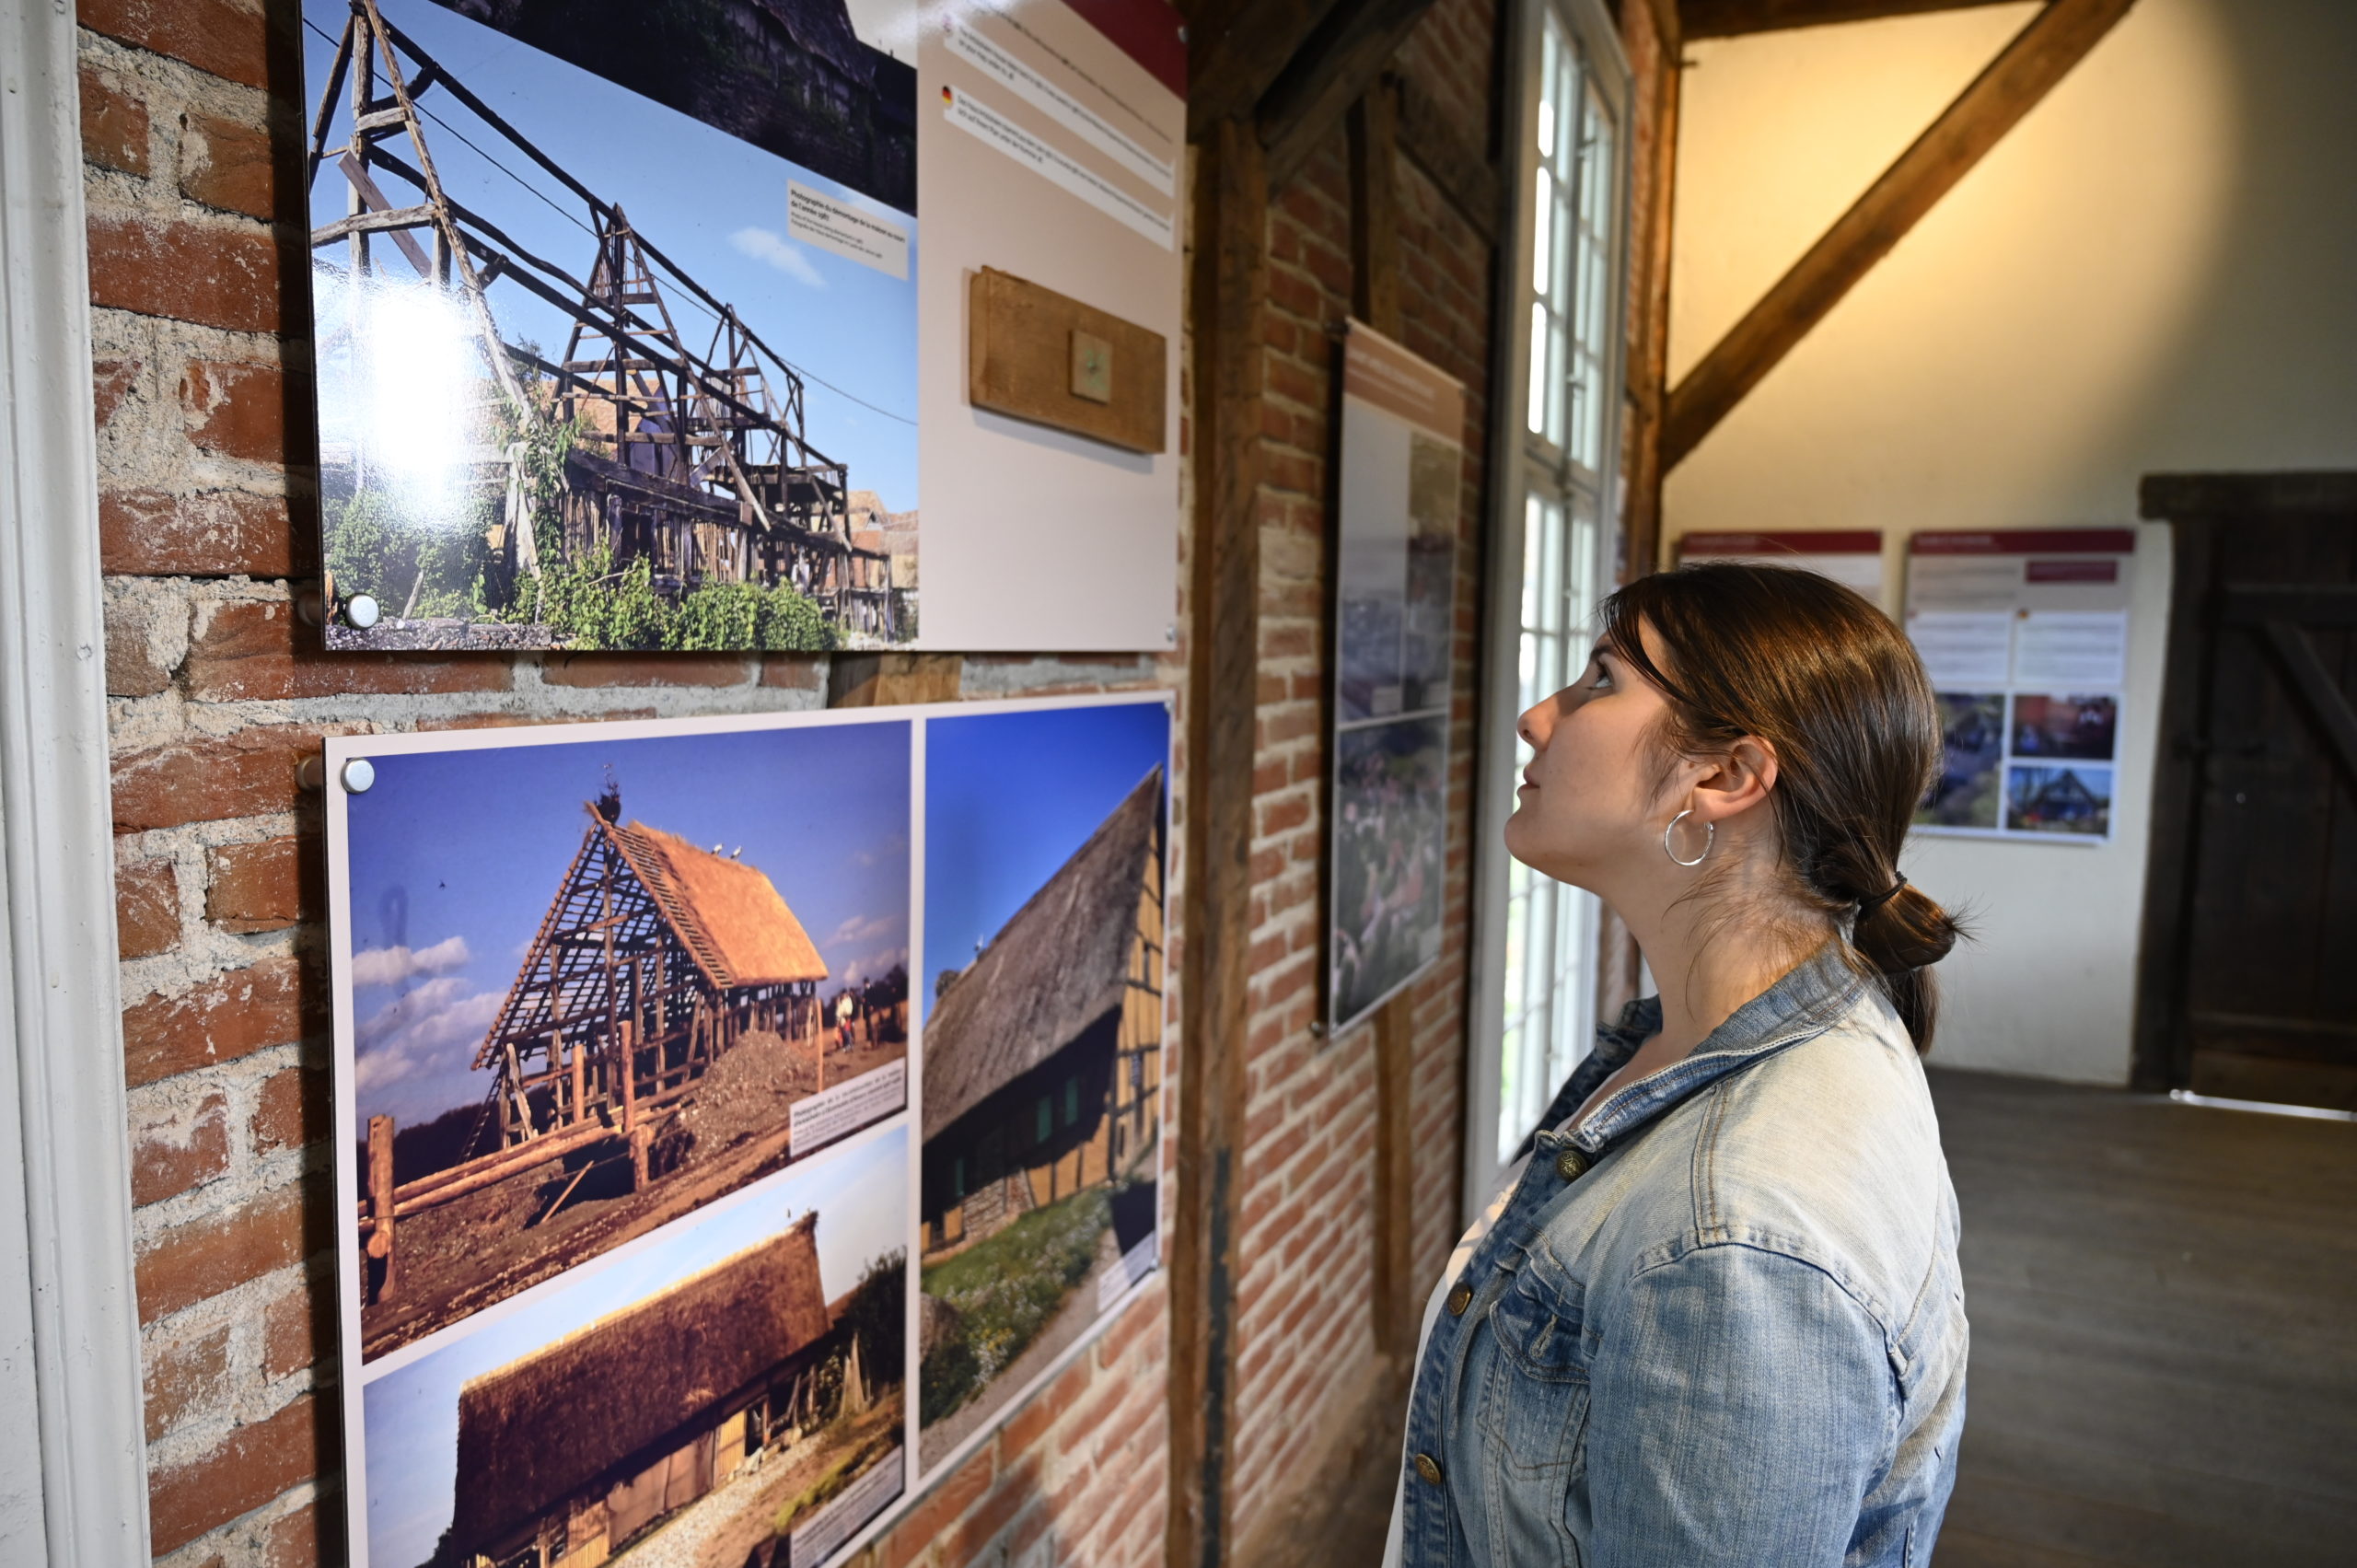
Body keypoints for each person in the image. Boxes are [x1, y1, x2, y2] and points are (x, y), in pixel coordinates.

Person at [1387, 562, 1968, 1567]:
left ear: (1726, 776)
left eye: (1599, 680)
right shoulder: (1706, 1042)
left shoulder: (1737, 1241)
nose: (1535, 716)